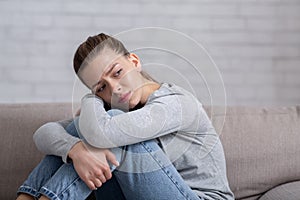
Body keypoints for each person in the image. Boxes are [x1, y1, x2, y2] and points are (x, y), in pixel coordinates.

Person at [16, 33, 234, 200]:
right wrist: (74, 151)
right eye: (101, 87)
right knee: (83, 128)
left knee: (110, 133)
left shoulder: (175, 103)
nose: (115, 89)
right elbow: (44, 133)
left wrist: (91, 99)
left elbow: (104, 133)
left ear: (135, 62)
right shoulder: (116, 114)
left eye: (117, 72)